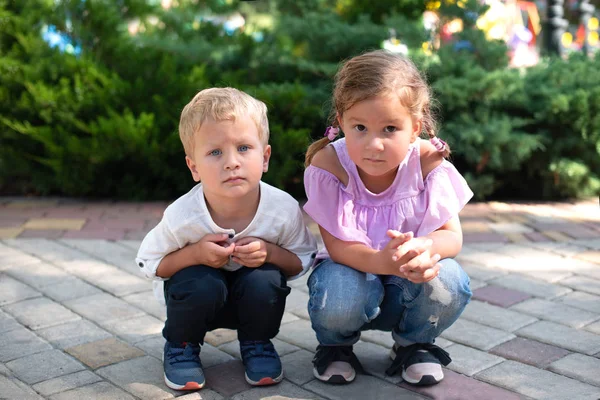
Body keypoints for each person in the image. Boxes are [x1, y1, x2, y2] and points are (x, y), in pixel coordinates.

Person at [303, 50, 473, 386]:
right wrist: (383, 261)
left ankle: (414, 344)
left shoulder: (427, 163)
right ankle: (335, 346)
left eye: (390, 128)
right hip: (350, 276)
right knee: (336, 287)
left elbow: (452, 237)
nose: (374, 144)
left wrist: (424, 249)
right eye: (360, 128)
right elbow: (338, 248)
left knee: (449, 279)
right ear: (341, 121)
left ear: (415, 128)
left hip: (407, 281)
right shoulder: (328, 165)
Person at [136, 87, 317, 391]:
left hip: (253, 301)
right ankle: (181, 346)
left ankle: (257, 343)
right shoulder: (183, 215)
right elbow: (149, 263)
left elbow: (303, 259)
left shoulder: (282, 209)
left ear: (265, 157)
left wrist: (270, 253)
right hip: (197, 300)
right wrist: (194, 255)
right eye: (215, 152)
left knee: (266, 278)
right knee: (198, 279)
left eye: (244, 147)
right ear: (194, 167)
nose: (232, 162)